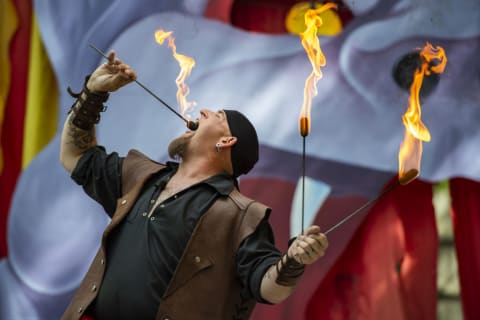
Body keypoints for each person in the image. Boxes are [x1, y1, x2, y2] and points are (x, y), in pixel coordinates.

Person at [60, 50, 329, 320]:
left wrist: (293, 261)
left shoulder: (239, 215)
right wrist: (93, 94)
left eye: (218, 115)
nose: (202, 111)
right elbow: (75, 155)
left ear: (226, 142)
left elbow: (269, 289)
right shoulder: (139, 175)